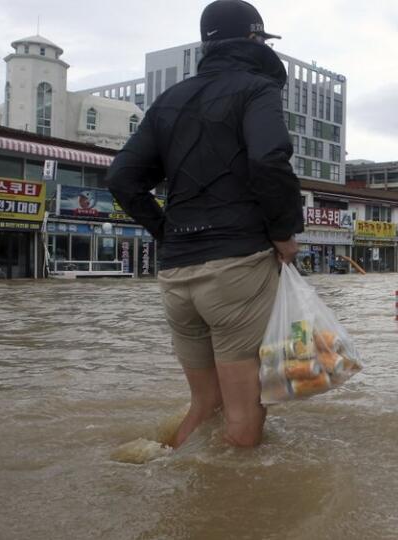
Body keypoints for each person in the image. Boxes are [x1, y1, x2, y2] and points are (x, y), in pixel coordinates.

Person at [107, 0, 302, 448]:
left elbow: (121, 178)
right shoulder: (257, 88)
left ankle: (166, 474)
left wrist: (164, 231)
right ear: (255, 39)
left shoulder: (169, 100)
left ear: (205, 45)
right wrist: (282, 232)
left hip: (176, 274)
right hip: (236, 269)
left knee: (205, 404)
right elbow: (270, 158)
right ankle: (231, 512)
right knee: (245, 409)